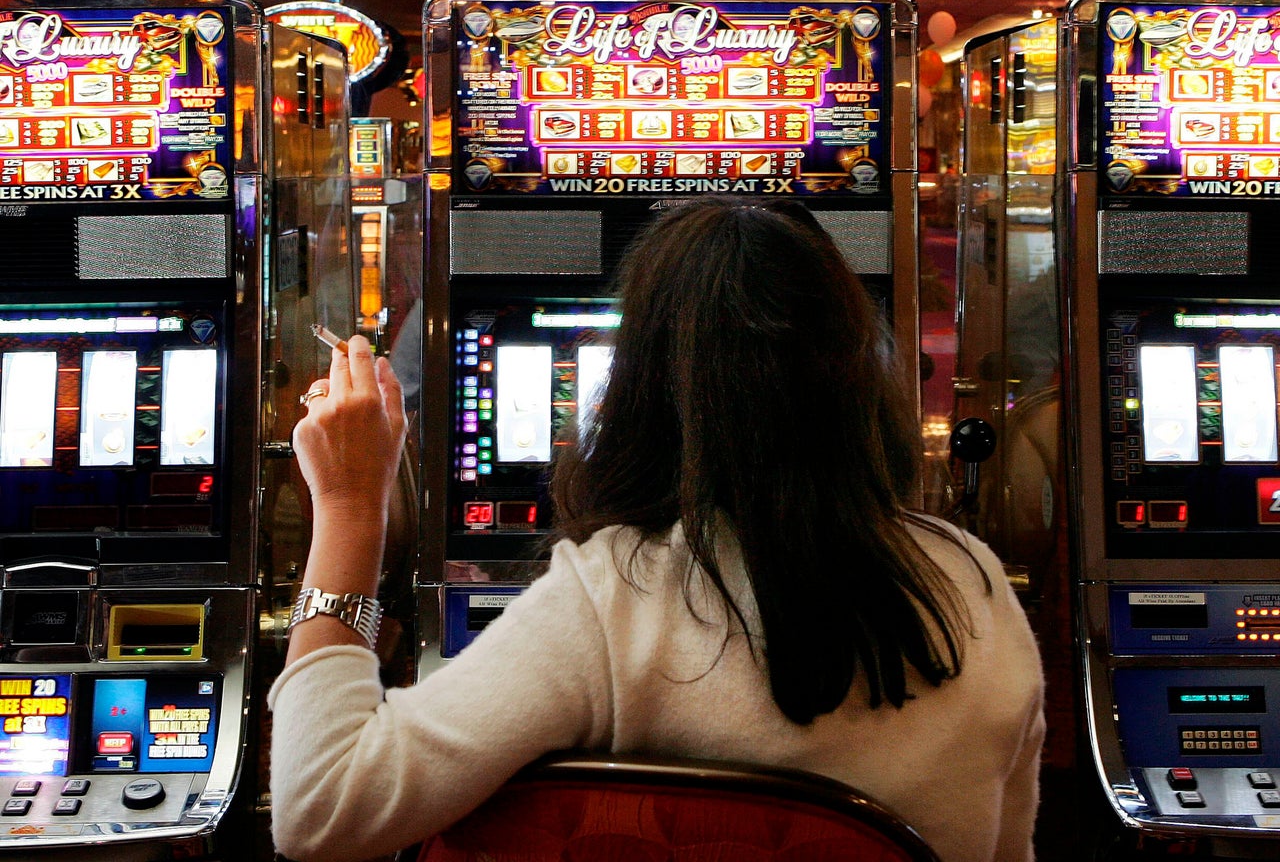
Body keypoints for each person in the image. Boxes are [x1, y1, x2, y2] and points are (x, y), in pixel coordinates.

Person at [269, 198, 1044, 862]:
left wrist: (348, 504)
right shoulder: (971, 584)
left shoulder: (615, 595)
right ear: (859, 374)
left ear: (639, 385)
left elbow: (319, 809)